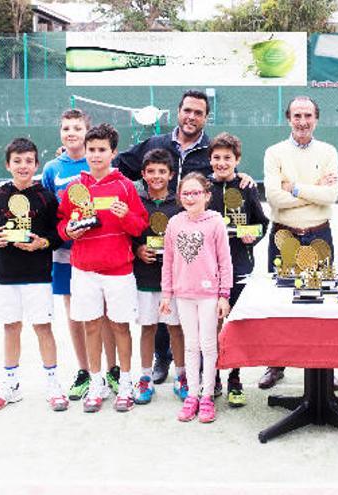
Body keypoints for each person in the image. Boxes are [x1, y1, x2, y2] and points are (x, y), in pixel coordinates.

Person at [113, 90, 254, 384]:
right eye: (187, 110)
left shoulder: (210, 149)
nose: (191, 117)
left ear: (205, 117)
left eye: (198, 113)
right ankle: (162, 359)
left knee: (186, 312)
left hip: (195, 246)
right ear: (178, 111)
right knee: (161, 308)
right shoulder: (155, 143)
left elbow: (224, 171)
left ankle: (196, 368)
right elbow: (120, 165)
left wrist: (244, 177)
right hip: (157, 239)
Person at [57, 123, 149, 413]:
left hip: (119, 271)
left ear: (113, 153)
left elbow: (140, 225)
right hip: (84, 271)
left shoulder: (124, 186)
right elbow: (62, 224)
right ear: (84, 152)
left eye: (102, 150)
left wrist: (125, 217)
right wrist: (68, 230)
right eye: (91, 150)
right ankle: (96, 383)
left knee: (120, 326)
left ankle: (125, 383)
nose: (96, 155)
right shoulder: (75, 188)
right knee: (91, 325)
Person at [260, 96, 338, 390]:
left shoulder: (329, 151)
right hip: (284, 236)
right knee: (280, 301)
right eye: (297, 115)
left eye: (308, 115)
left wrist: (292, 187)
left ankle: (324, 367)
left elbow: (331, 196)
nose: (303, 121)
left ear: (316, 119)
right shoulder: (274, 153)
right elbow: (273, 198)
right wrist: (313, 190)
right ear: (288, 118)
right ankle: (276, 363)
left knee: (321, 301)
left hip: (319, 233)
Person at [0, 137, 66, 412]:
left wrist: (41, 242)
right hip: (6, 276)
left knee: (43, 328)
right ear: (8, 165)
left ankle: (53, 384)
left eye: (29, 161)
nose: (23, 166)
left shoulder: (45, 197)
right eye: (17, 161)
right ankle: (11, 385)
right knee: (11, 328)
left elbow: (56, 235)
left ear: (36, 165)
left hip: (39, 276)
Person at [41, 108, 120, 401]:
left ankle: (112, 369)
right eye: (65, 128)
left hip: (101, 254)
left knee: (107, 312)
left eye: (76, 128)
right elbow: (50, 213)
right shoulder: (52, 169)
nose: (71, 133)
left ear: (87, 132)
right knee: (75, 313)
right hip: (65, 256)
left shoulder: (101, 165)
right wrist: (62, 233)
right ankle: (85, 371)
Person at [160, 172, 233, 423]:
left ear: (207, 196)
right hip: (183, 295)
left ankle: (208, 396)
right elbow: (168, 261)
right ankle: (192, 394)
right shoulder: (174, 223)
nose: (190, 198)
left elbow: (225, 261)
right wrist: (167, 294)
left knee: (208, 345)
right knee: (190, 345)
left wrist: (224, 295)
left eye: (195, 193)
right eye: (185, 193)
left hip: (209, 295)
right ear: (179, 197)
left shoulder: (215, 223)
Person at [207, 132, 269, 407]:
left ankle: (234, 378)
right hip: (207, 271)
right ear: (210, 160)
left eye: (227, 158)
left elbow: (261, 223)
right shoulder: (202, 187)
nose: (221, 163)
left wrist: (252, 237)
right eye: (217, 158)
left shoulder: (247, 187)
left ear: (238, 160)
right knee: (211, 326)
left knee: (233, 324)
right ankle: (213, 377)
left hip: (239, 267)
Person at [131, 149, 183, 405]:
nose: (156, 176)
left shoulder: (180, 204)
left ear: (171, 174)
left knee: (175, 328)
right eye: (150, 171)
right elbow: (129, 235)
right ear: (142, 175)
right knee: (148, 327)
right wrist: (138, 249)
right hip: (145, 277)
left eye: (162, 171)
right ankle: (144, 377)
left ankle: (182, 376)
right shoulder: (137, 203)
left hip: (174, 282)